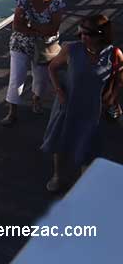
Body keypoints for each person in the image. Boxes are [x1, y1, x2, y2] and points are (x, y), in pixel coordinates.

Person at [41, 14, 121, 192]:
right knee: (61, 142)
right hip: (68, 105)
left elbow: (118, 79)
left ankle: (83, 185)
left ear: (101, 34)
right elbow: (52, 67)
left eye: (89, 33)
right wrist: (59, 91)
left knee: (88, 146)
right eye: (81, 32)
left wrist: (112, 97)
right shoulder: (71, 49)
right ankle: (58, 176)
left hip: (93, 108)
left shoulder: (114, 54)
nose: (83, 37)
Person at [2, 0, 64, 125]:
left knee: (41, 78)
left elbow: (53, 29)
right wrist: (40, 30)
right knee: (16, 78)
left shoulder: (56, 4)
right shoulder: (23, 1)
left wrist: (32, 26)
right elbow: (17, 25)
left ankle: (36, 99)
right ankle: (12, 112)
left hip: (45, 47)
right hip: (20, 45)